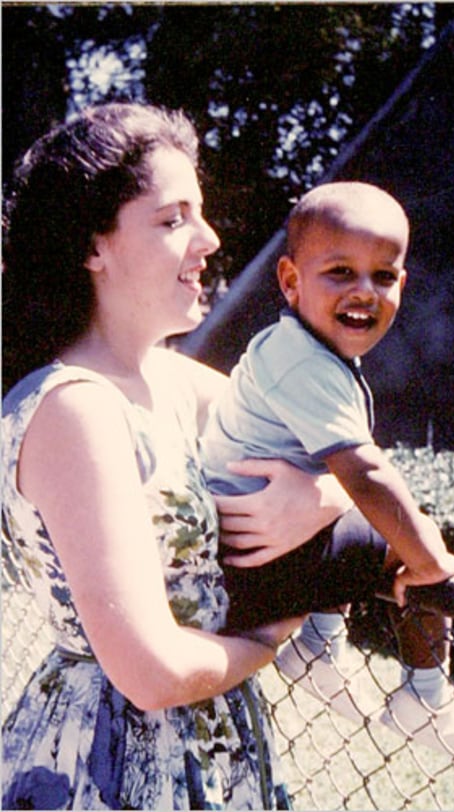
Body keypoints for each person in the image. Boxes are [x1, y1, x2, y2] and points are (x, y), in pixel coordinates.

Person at [1, 102, 353, 810]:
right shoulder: (76, 408)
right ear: (92, 247)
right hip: (108, 764)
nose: (210, 238)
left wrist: (319, 498)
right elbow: (150, 671)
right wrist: (273, 631)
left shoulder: (175, 383)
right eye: (173, 219)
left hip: (216, 749)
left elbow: (356, 456)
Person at [200, 181, 454, 760]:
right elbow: (366, 474)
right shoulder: (307, 364)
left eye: (383, 277)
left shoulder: (293, 348)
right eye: (340, 272)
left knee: (356, 514)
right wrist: (434, 561)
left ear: (402, 286)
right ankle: (425, 698)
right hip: (252, 563)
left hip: (242, 554)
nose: (365, 291)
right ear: (290, 281)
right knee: (403, 535)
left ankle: (319, 643)